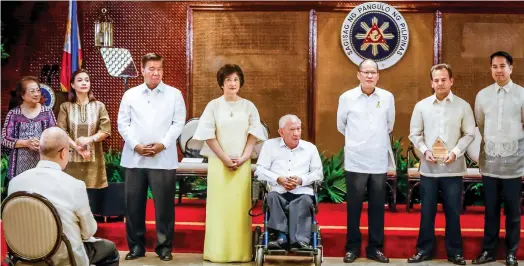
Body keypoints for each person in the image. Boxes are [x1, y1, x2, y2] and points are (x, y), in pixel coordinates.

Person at [7, 127, 119, 266]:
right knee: (110, 250)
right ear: (63, 153)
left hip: (23, 258)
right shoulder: (74, 185)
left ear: (40, 150)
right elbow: (88, 231)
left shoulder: (15, 183)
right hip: (64, 258)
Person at [193, 64, 267, 262]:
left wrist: (244, 157)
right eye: (228, 80)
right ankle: (216, 252)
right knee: (219, 209)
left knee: (239, 209)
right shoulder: (214, 105)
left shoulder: (249, 106)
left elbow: (254, 133)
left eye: (235, 79)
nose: (232, 83)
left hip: (241, 164)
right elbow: (208, 134)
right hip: (219, 164)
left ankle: (241, 253)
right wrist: (224, 158)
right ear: (221, 84)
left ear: (240, 82)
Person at [117, 53, 186, 261]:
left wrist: (163, 144)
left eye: (159, 69)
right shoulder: (131, 94)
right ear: (143, 69)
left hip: (163, 159)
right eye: (151, 68)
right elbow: (123, 123)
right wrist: (136, 145)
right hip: (134, 158)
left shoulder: (174, 94)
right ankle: (136, 247)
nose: (156, 73)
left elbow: (178, 123)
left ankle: (164, 247)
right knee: (133, 205)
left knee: (164, 206)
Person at [407, 64, 475, 265]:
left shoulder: (463, 106)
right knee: (427, 212)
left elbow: (469, 133)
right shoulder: (421, 106)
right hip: (429, 168)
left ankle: (455, 252)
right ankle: (424, 250)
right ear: (431, 83)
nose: (440, 83)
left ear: (451, 81)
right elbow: (414, 133)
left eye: (444, 79)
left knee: (453, 212)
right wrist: (424, 150)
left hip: (453, 168)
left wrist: (455, 152)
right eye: (436, 80)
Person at [337, 59, 395, 263]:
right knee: (354, 207)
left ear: (378, 75)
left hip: (378, 159)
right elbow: (341, 125)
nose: (370, 76)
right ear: (358, 74)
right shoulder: (347, 98)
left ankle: (375, 248)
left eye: (373, 72)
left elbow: (389, 125)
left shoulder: (387, 97)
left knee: (378, 206)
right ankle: (352, 247)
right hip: (355, 160)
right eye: (366, 72)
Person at [472, 51, 524, 266]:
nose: (498, 70)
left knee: (513, 210)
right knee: (490, 210)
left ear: (511, 68)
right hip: (491, 160)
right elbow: (480, 124)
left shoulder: (522, 94)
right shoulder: (482, 95)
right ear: (490, 69)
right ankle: (489, 251)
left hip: (514, 160)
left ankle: (511, 252)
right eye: (494, 66)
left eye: (503, 66)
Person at [255, 114, 323, 250]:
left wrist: (301, 180)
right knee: (272, 197)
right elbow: (259, 170)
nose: (296, 133)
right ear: (281, 132)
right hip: (277, 190)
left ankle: (299, 241)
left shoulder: (310, 148)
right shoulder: (270, 146)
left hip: (302, 191)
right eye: (292, 129)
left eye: (298, 129)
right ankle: (281, 237)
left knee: (304, 200)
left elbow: (318, 174)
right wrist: (278, 179)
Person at [57, 69, 111, 215]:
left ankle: (89, 233)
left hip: (93, 161)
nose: (84, 83)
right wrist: (76, 147)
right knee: (71, 199)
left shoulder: (99, 106)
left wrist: (89, 139)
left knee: (91, 200)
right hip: (70, 161)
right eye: (80, 80)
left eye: (86, 80)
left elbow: (106, 131)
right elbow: (61, 132)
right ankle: (72, 232)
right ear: (72, 85)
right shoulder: (65, 107)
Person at [2, 76, 56, 180]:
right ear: (22, 95)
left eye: (38, 90)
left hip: (42, 165)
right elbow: (4, 139)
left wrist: (43, 143)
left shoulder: (47, 112)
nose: (37, 94)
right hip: (18, 168)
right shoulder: (13, 114)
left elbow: (54, 135)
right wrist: (26, 143)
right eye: (32, 91)